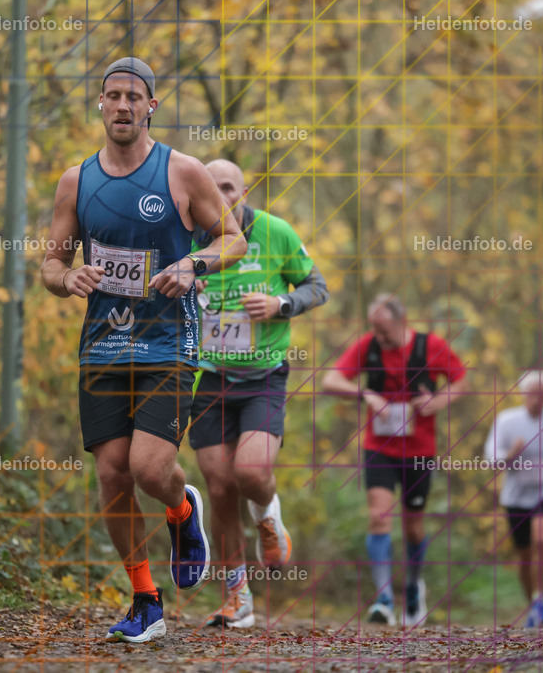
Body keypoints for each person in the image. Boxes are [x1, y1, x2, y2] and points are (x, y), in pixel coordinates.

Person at [40, 57, 247, 643]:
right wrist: (67, 278)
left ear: (151, 105)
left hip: (168, 344)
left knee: (148, 469)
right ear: (100, 104)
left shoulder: (181, 172)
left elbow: (233, 238)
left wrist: (190, 263)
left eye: (135, 96)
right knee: (111, 477)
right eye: (113, 95)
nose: (124, 105)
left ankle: (181, 508)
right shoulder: (75, 181)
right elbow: (50, 264)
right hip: (102, 348)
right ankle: (145, 599)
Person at [189, 159, 329, 629]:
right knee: (219, 486)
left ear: (244, 191)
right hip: (210, 377)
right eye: (213, 187)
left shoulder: (275, 233)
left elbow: (317, 286)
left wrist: (280, 304)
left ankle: (269, 516)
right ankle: (237, 597)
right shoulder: (190, 237)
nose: (222, 196)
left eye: (229, 187)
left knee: (250, 471)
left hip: (264, 376)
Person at [322, 294, 467, 627]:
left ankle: (415, 587)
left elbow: (461, 380)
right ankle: (384, 599)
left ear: (402, 321)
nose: (380, 336)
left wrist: (438, 401)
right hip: (379, 447)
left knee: (413, 523)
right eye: (374, 328)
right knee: (378, 516)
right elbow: (331, 380)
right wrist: (365, 394)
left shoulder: (430, 346)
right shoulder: (368, 347)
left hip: (419, 449)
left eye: (384, 329)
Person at [482, 370, 543, 628]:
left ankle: (540, 598)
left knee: (541, 537)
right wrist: (511, 453)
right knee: (524, 556)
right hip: (515, 497)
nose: (538, 399)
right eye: (533, 394)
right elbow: (490, 459)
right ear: (523, 395)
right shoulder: (507, 421)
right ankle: (534, 602)